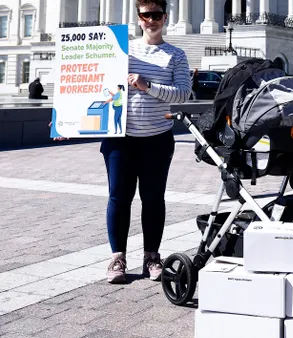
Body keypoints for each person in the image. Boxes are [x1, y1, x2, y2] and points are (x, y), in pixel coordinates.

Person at [99, 0, 191, 283]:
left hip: (157, 138)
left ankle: (152, 257)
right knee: (118, 198)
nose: (151, 20)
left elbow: (183, 95)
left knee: (153, 200)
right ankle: (117, 258)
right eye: (146, 15)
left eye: (156, 15)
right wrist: (70, 118)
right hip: (120, 138)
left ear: (165, 17)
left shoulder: (176, 55)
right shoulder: (121, 51)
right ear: (138, 18)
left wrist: (147, 85)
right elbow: (95, 85)